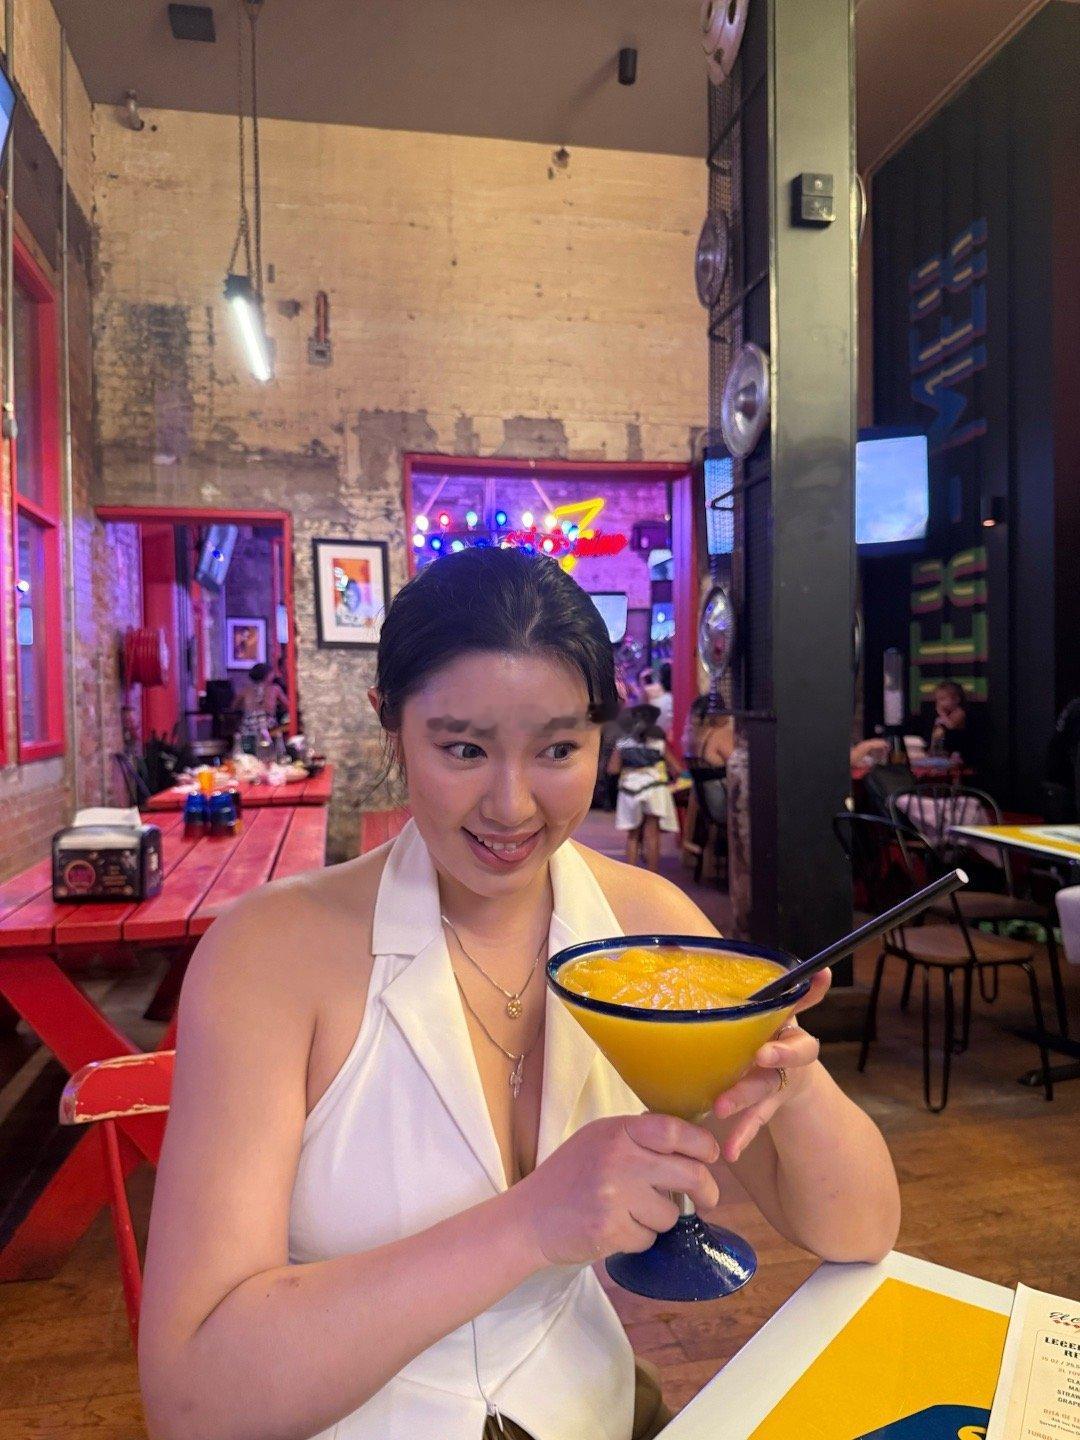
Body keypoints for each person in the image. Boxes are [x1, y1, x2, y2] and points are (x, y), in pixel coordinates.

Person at [139, 548, 900, 1440]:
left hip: (593, 1409)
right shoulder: (268, 955)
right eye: (463, 748)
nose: (511, 806)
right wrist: (532, 1224)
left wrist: (790, 1079)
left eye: (559, 749)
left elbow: (861, 1230)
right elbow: (192, 1399)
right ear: (392, 725)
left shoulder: (646, 929)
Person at [607, 703, 680, 870]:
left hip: (629, 790)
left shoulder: (623, 742)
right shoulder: (658, 741)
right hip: (655, 789)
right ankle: (652, 874)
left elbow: (612, 769)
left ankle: (631, 873)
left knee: (632, 835)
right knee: (652, 834)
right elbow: (676, 768)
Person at [236, 662, 288, 748]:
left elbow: (234, 707)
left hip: (247, 729)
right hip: (268, 730)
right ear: (267, 675)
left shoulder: (245, 690)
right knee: (287, 726)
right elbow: (289, 707)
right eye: (272, 673)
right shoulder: (275, 689)